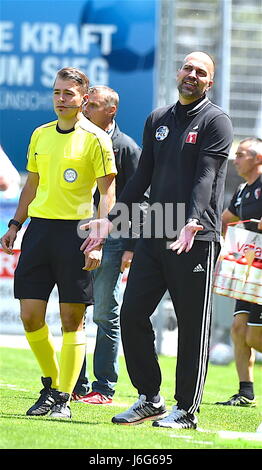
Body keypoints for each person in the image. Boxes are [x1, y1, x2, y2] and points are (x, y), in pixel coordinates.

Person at [81, 51, 234, 429]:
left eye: (201, 72)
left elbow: (206, 177)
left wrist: (194, 221)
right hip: (155, 230)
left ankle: (186, 410)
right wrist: (110, 222)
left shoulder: (216, 121)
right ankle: (150, 398)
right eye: (188, 68)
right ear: (178, 72)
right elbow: (140, 178)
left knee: (192, 325)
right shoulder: (158, 119)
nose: (192, 75)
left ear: (209, 82)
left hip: (195, 237)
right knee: (131, 313)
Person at [0, 67, 117, 419]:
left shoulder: (97, 139)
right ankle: (52, 385)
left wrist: (98, 237)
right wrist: (15, 224)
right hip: (39, 232)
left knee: (71, 318)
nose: (61, 100)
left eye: (68, 94)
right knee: (30, 315)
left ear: (84, 99)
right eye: (57, 93)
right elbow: (31, 185)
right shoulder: (40, 135)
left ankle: (63, 397)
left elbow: (107, 191)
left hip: (77, 235)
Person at [72, 85, 147, 404]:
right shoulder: (76, 139)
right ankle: (76, 383)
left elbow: (141, 198)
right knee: (75, 308)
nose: (85, 108)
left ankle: (104, 387)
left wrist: (130, 245)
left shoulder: (126, 147)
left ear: (111, 111)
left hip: (114, 239)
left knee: (104, 311)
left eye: (93, 104)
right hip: (75, 233)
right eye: (84, 103)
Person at [215, 137, 262, 407]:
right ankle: (246, 392)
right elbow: (225, 219)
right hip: (249, 269)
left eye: (242, 154)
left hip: (260, 271)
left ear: (258, 159)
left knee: (254, 336)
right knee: (238, 327)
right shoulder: (244, 189)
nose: (236, 159)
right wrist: (222, 246)